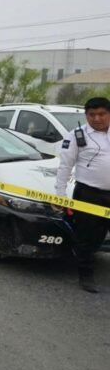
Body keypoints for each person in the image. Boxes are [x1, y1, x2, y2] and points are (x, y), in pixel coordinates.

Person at [54, 96, 110, 293]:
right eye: (92, 115)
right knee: (88, 237)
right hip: (89, 194)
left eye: (101, 114)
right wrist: (60, 195)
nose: (97, 118)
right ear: (86, 115)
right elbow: (65, 166)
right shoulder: (77, 136)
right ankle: (86, 275)